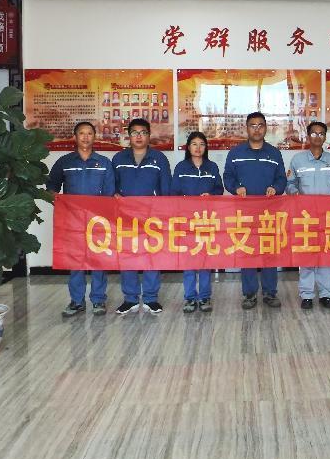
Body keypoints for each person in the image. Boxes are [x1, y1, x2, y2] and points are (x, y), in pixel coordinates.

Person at [47, 121, 115, 317]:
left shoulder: (104, 163)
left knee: (98, 260)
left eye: (89, 133)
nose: (85, 137)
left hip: (98, 221)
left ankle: (98, 300)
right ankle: (77, 301)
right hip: (73, 221)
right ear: (75, 137)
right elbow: (51, 189)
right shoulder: (65, 162)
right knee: (75, 261)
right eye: (81, 133)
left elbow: (110, 193)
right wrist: (62, 205)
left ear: (95, 137)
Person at [223, 111, 287, 309]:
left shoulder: (274, 153)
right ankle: (249, 294)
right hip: (244, 213)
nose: (257, 129)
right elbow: (228, 177)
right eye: (253, 125)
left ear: (266, 128)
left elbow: (281, 178)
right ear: (247, 128)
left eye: (260, 125)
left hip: (269, 212)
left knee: (269, 252)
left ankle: (269, 292)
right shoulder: (236, 153)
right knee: (248, 252)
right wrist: (236, 188)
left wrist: (276, 188)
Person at [111, 118, 172, 316]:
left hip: (152, 217)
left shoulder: (159, 158)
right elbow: (112, 186)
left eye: (143, 132)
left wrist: (164, 214)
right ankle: (130, 299)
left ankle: (151, 298)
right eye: (135, 133)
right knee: (127, 256)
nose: (139, 136)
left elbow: (166, 188)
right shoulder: (118, 158)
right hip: (126, 216)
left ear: (149, 135)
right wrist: (115, 194)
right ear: (129, 136)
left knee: (151, 256)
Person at [286, 121, 330, 310]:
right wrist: (294, 192)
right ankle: (307, 294)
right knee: (307, 255)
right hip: (306, 216)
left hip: (327, 216)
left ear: (325, 137)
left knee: (327, 255)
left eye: (321, 134)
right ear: (307, 136)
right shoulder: (298, 160)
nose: (317, 137)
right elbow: (290, 184)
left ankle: (326, 294)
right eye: (314, 133)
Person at [171, 131, 224, 313]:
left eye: (201, 144)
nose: (198, 147)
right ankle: (190, 298)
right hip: (186, 221)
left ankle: (205, 296)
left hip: (207, 220)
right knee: (189, 261)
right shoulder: (181, 167)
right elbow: (174, 192)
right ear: (188, 147)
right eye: (194, 144)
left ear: (206, 147)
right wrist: (185, 200)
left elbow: (219, 189)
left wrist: (211, 195)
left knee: (205, 260)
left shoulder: (212, 167)